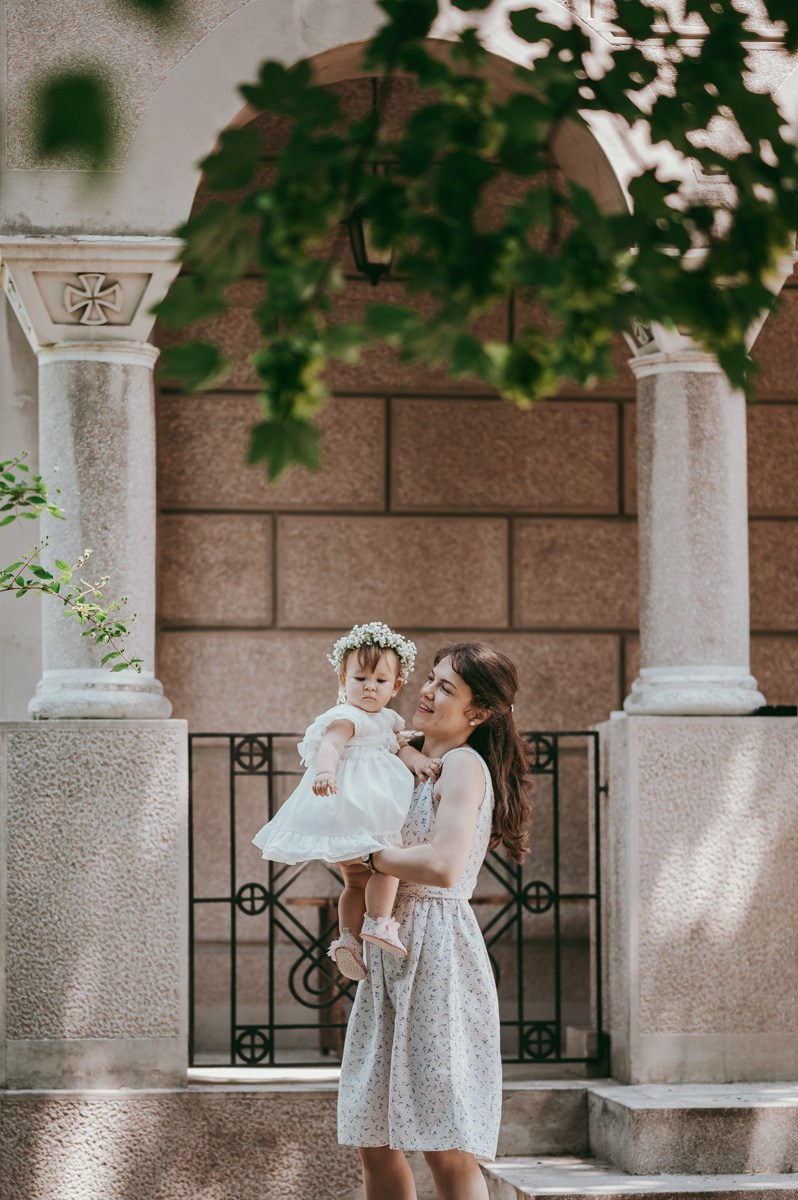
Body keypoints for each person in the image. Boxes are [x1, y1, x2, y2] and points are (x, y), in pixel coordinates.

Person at [337, 641, 533, 1200]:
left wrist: (369, 856)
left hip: (435, 950)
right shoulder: (401, 755)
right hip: (389, 949)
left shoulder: (465, 766)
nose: (426, 691)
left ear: (479, 712)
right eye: (430, 678)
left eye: (446, 687)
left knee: (446, 1143)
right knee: (374, 1139)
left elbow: (444, 866)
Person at [252, 621, 440, 980]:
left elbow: (401, 749)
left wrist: (420, 762)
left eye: (380, 680)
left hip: (362, 808)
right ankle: (379, 922)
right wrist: (325, 771)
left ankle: (347, 941)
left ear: (396, 686)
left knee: (355, 880)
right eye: (360, 678)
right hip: (361, 806)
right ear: (343, 680)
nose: (369, 686)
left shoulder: (389, 720)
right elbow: (331, 746)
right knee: (387, 864)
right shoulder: (346, 717)